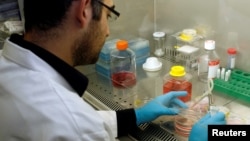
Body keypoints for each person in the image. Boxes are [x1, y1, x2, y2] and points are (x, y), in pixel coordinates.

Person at [0, 0, 225, 140]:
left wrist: (136, 115)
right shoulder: (68, 124)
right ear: (84, 10)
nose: (108, 31)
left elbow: (87, 124)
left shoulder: (7, 65)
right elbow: (80, 127)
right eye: (109, 15)